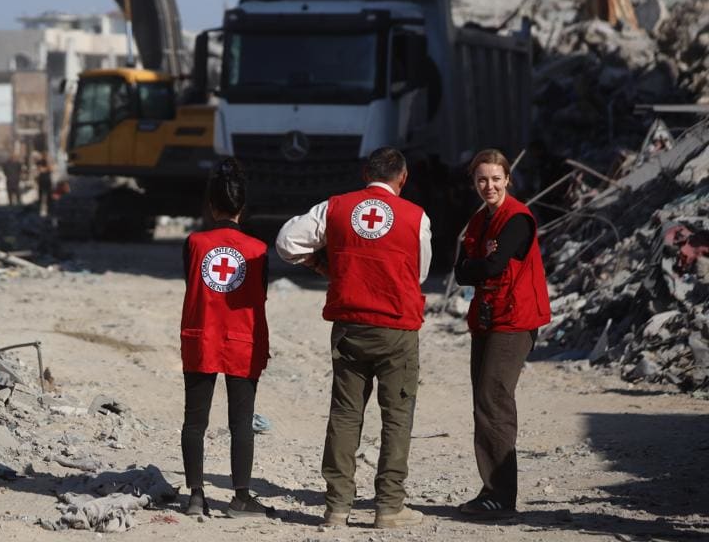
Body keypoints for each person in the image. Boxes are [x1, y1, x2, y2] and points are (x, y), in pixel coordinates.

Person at [275, 147, 431, 529]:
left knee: (345, 414)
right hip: (396, 327)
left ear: (366, 174)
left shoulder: (335, 207)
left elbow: (286, 243)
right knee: (397, 416)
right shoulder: (416, 216)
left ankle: (337, 507)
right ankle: (389, 507)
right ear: (403, 178)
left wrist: (318, 262)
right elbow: (421, 274)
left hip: (350, 326)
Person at [454, 149, 550, 519]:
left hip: (514, 320)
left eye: (496, 178)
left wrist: (480, 262)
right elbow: (462, 271)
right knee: (483, 399)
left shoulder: (518, 219)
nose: (489, 186)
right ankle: (492, 490)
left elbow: (491, 267)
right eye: (482, 179)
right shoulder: (480, 222)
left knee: (494, 400)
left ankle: (500, 496)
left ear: (508, 179)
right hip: (489, 318)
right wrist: (480, 263)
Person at [179, 158, 272, 519]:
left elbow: (193, 284)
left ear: (211, 205)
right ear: (242, 208)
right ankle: (241, 497)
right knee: (241, 422)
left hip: (202, 337)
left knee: (194, 421)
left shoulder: (194, 243)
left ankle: (195, 497)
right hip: (242, 340)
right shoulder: (259, 250)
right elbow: (260, 294)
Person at [35, 151, 54, 216]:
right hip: (42, 181)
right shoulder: (40, 162)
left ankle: (49, 211)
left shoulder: (49, 162)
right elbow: (40, 169)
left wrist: (46, 168)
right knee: (41, 197)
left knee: (49, 198)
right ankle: (40, 211)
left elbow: (51, 169)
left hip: (48, 181)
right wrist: (46, 169)